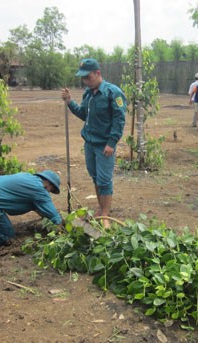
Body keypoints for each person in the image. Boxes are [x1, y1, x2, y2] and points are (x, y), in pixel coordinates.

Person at [61, 58, 126, 228]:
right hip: (89, 143)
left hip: (104, 145)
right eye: (83, 78)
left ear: (98, 73)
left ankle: (105, 214)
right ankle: (101, 207)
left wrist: (112, 143)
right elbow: (84, 114)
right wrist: (69, 102)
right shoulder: (88, 94)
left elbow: (119, 120)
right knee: (95, 177)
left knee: (104, 179)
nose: (85, 81)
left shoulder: (113, 93)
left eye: (88, 77)